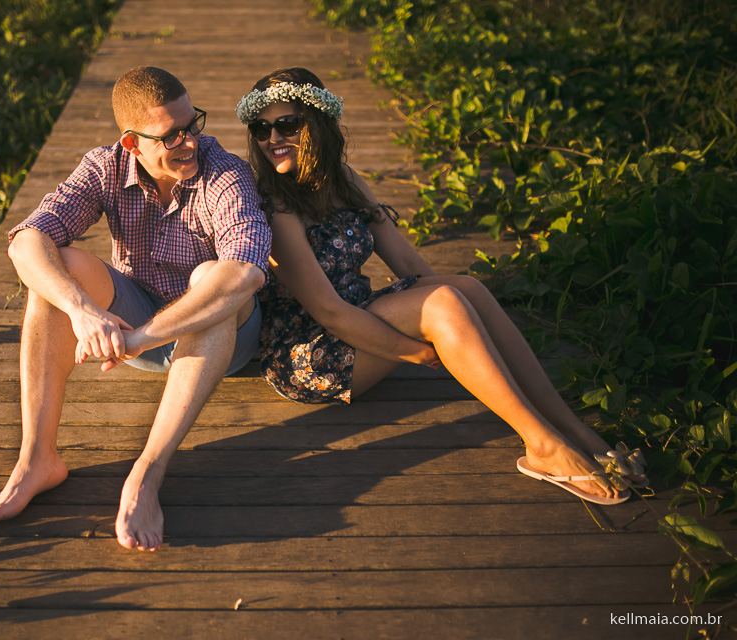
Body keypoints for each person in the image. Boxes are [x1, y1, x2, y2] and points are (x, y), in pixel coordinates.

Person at [236, 67, 646, 505]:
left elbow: (408, 262)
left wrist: (461, 324)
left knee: (463, 289)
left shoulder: (346, 180)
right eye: (261, 128)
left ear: (317, 124)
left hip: (359, 316)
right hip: (309, 354)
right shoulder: (275, 204)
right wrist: (413, 348)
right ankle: (541, 446)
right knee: (444, 303)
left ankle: (571, 427)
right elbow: (329, 311)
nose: (272, 138)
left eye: (287, 124)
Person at [0, 66, 271, 551]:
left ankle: (147, 474)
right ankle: (37, 460)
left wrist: (135, 339)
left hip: (224, 337)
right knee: (59, 265)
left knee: (211, 279)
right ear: (132, 144)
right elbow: (25, 241)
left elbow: (246, 273)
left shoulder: (225, 171)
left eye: (191, 124)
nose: (189, 142)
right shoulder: (105, 166)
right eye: (170, 137)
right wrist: (80, 310)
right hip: (136, 319)